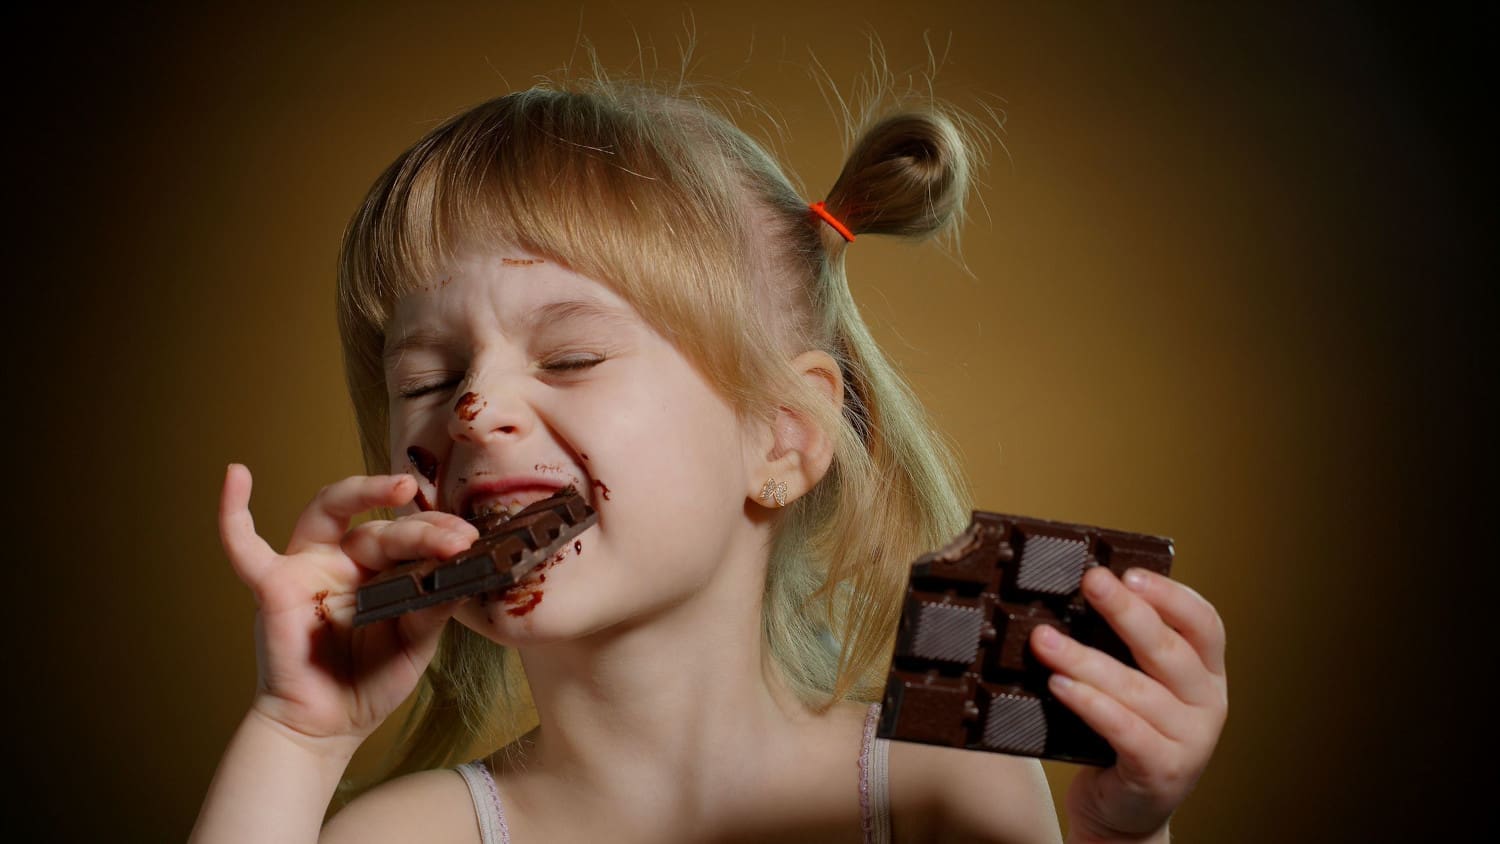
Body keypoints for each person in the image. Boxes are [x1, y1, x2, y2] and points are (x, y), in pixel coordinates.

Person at [191, 71, 1227, 843]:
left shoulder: (940, 785)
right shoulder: (411, 835)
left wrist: (1124, 832)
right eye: (425, 376)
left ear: (781, 438)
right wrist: (297, 739)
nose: (475, 405)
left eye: (573, 353)